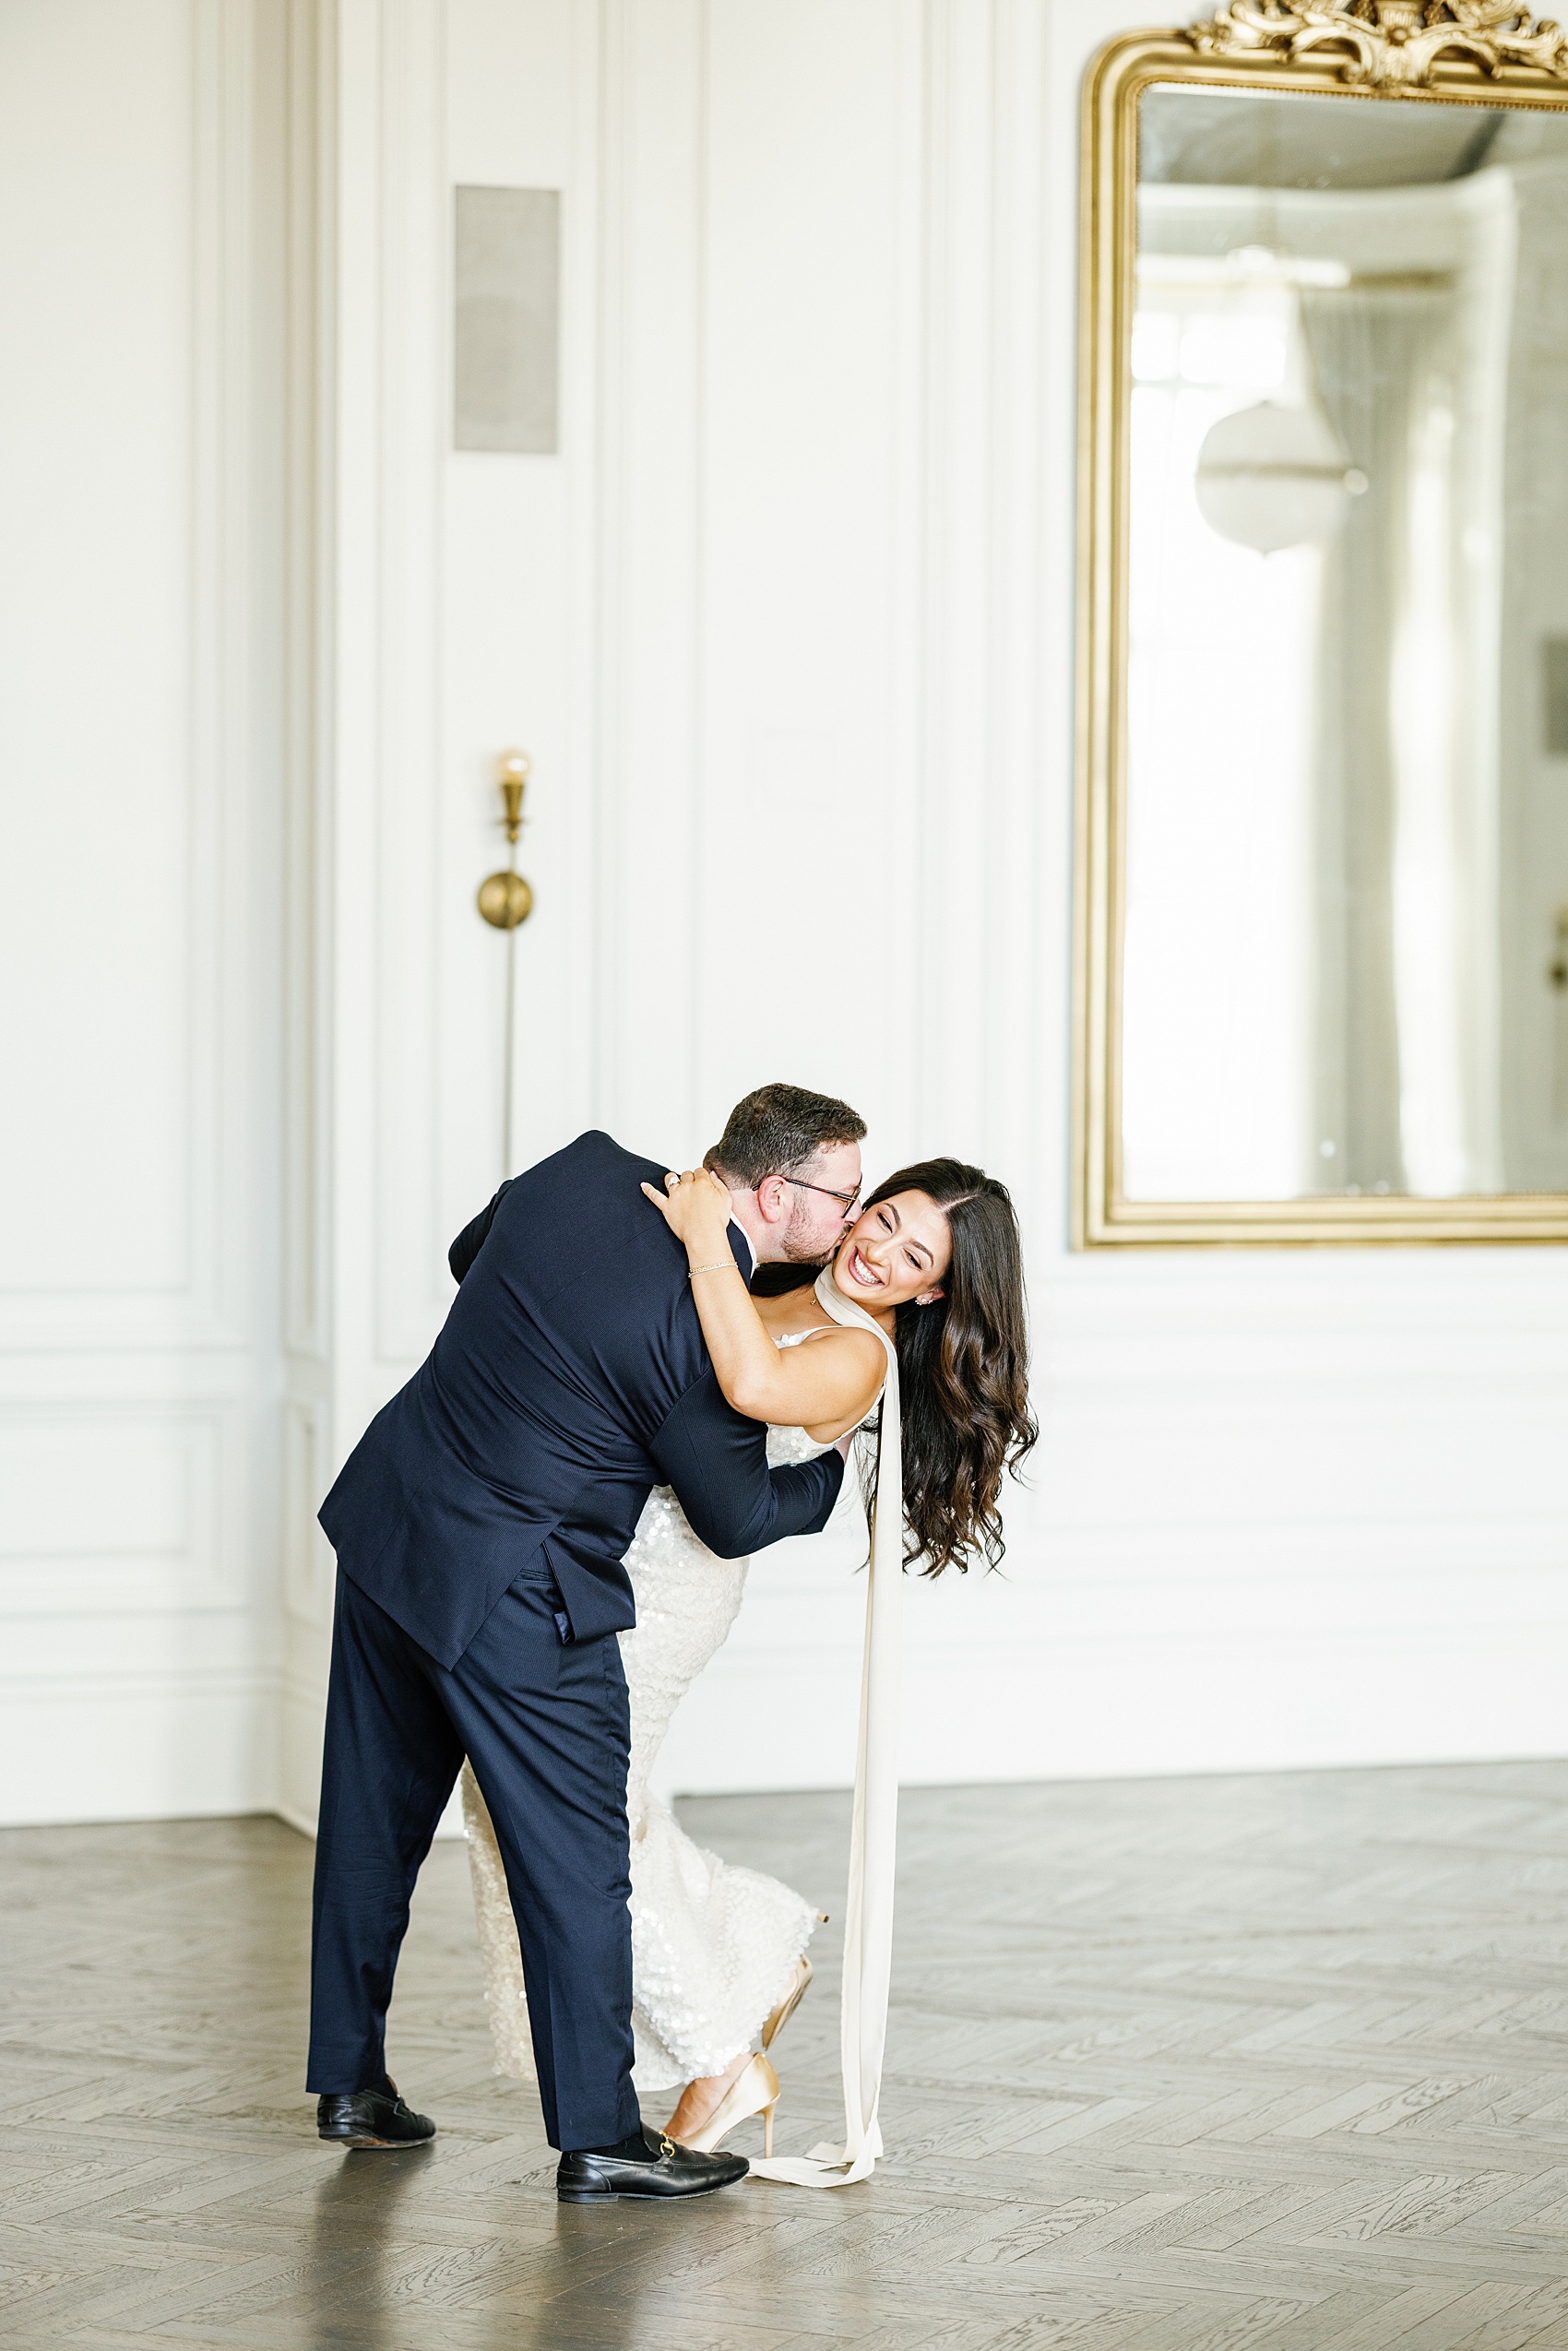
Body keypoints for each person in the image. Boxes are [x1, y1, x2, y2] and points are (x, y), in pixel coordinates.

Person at [306, 1083, 866, 2204]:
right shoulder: (703, 1339)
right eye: (843, 1197)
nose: (853, 1220)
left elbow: (473, 1254)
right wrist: (833, 1475)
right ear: (775, 1189)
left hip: (392, 1512)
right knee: (577, 1861)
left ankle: (350, 2082)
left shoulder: (582, 1166)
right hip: (516, 1590)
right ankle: (604, 2135)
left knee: (370, 1819)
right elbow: (735, 1516)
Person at [464, 1146, 1037, 2187]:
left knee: (578, 1824)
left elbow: (748, 1380)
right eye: (884, 1217)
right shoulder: (769, 1277)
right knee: (579, 1813)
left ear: (933, 1287)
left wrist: (697, 1236)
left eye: (913, 1254)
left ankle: (724, 2060)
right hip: (591, 1560)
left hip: (665, 1595)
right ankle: (755, 1942)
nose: (879, 1251)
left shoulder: (855, 1351)